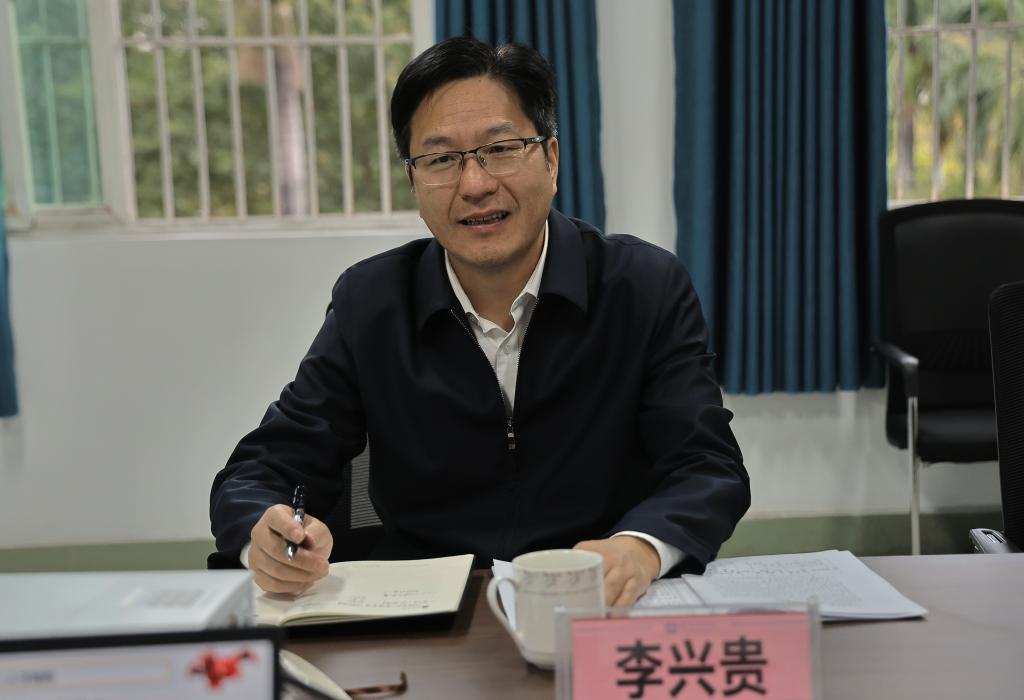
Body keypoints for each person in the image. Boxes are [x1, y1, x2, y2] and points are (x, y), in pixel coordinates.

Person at [210, 36, 749, 607]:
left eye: (501, 148)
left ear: (551, 159)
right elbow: (265, 468)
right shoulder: (371, 303)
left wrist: (640, 548)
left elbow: (706, 465)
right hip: (429, 613)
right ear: (413, 180)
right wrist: (264, 534)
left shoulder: (643, 287)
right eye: (441, 159)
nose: (475, 185)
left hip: (598, 602)